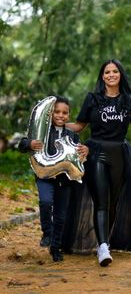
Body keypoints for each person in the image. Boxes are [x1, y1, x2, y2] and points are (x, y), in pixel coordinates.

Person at [66, 59, 131, 267]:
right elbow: (78, 126)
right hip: (95, 152)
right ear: (102, 76)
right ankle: (103, 247)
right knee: (101, 201)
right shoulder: (93, 99)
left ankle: (104, 241)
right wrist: (54, 122)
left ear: (120, 75)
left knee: (113, 203)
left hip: (120, 155)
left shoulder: (129, 101)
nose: (111, 75)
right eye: (107, 72)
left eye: (115, 71)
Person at [18, 96, 89, 262]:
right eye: (57, 112)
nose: (60, 115)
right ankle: (46, 233)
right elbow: (22, 143)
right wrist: (29, 144)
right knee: (45, 202)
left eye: (64, 113)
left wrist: (85, 150)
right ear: (50, 114)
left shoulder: (72, 135)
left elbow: (79, 155)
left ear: (69, 116)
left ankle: (56, 247)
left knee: (60, 216)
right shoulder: (41, 131)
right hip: (45, 177)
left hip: (64, 181)